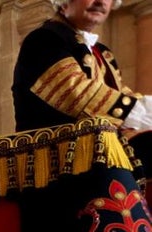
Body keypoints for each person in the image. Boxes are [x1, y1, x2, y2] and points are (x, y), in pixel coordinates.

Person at [13, 1, 151, 166]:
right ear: (63, 2)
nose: (100, 1)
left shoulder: (101, 52)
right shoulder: (43, 40)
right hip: (57, 162)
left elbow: (120, 93)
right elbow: (78, 93)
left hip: (99, 154)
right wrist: (142, 112)